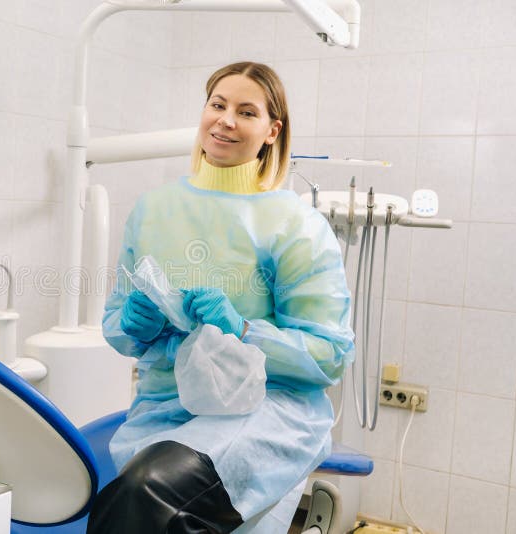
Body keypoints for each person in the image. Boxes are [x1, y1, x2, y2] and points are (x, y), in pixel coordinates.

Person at [87, 61, 355, 534]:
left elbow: (329, 354)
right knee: (134, 498)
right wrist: (134, 324)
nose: (226, 120)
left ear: (272, 131)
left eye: (246, 112)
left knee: (149, 495)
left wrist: (244, 330)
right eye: (218, 105)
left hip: (264, 410)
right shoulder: (153, 210)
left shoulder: (296, 225)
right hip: (163, 408)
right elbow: (116, 323)